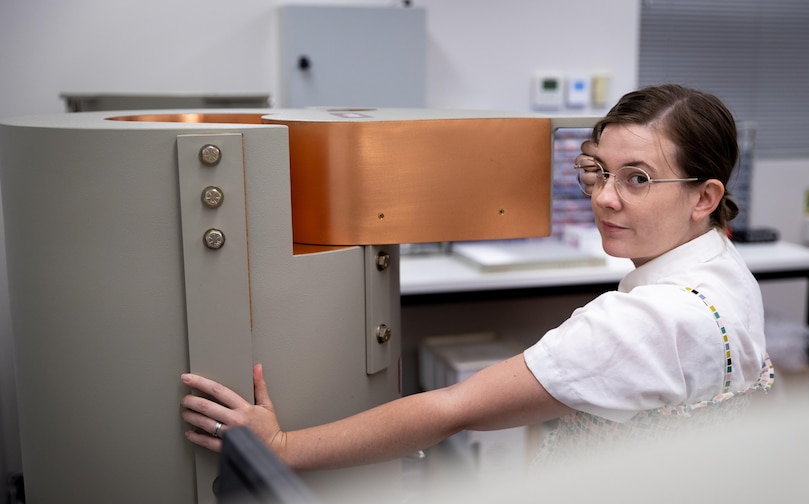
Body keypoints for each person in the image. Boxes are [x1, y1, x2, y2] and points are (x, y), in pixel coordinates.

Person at [181, 84, 772, 471]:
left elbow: (450, 409)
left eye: (637, 179)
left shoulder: (638, 324)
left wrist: (281, 448)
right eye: (599, 172)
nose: (604, 199)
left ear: (705, 196)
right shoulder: (726, 271)